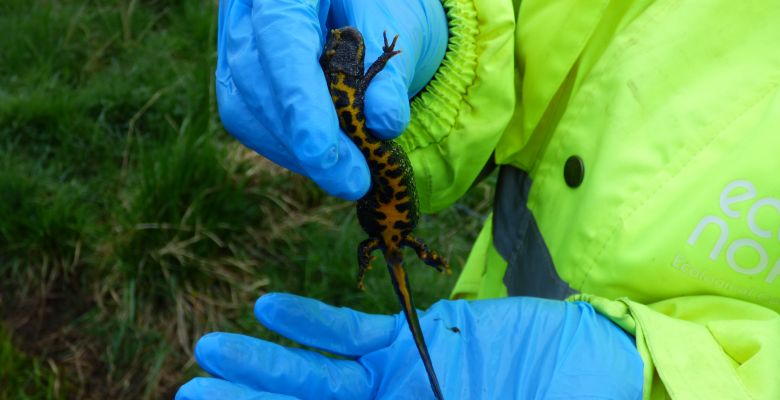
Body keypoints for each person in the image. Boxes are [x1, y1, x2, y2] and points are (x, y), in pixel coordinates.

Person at [177, 0, 780, 399]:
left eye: (348, 57)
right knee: (392, 242)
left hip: (514, 351)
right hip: (483, 317)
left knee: (389, 244)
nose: (347, 56)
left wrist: (671, 383)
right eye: (345, 58)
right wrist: (448, 26)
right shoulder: (355, 85)